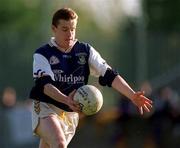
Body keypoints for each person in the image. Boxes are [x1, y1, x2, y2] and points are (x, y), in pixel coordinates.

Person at [29, 7, 153, 148]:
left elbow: (109, 74)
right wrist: (66, 100)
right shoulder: (42, 54)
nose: (70, 34)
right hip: (47, 106)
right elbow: (46, 86)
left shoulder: (85, 51)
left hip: (70, 113)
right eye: (65, 29)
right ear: (53, 28)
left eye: (73, 29)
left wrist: (132, 95)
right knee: (59, 143)